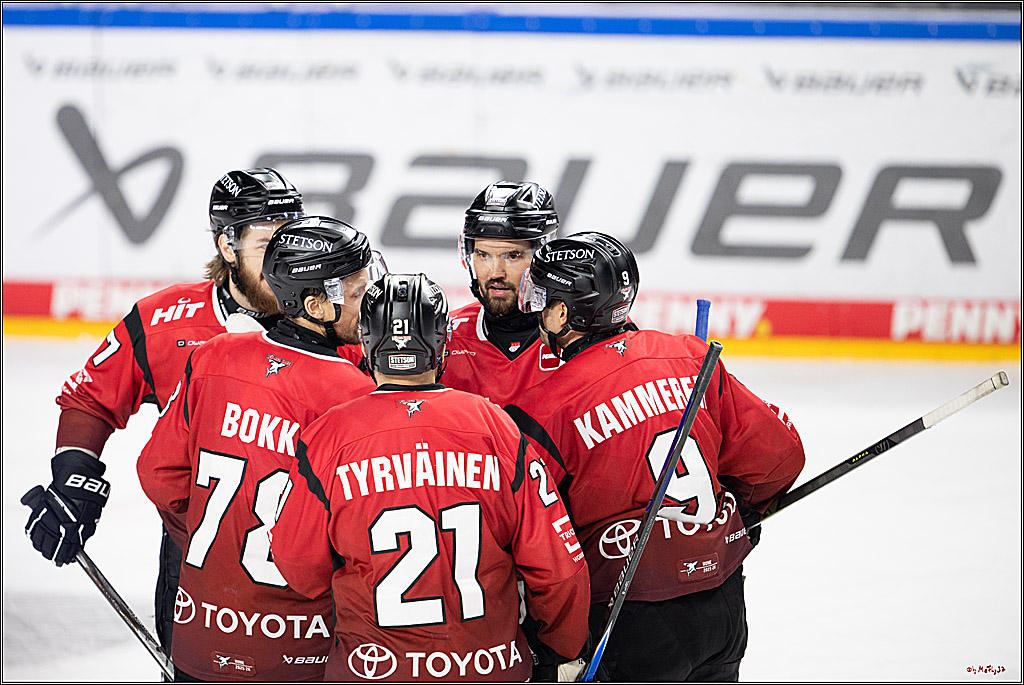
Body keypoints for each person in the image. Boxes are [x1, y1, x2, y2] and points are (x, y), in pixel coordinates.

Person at [22, 167, 308, 658]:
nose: (284, 260)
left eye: (292, 241)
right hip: (197, 554)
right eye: (266, 245)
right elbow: (90, 397)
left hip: (312, 553)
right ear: (227, 246)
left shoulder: (331, 321)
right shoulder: (163, 321)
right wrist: (74, 475)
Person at [506, 232, 806, 682]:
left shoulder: (542, 411)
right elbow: (780, 457)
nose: (536, 309)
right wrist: (741, 515)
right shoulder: (691, 357)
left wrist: (557, 645)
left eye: (543, 299)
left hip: (629, 617)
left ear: (565, 313)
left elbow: (541, 544)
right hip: (721, 600)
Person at [271, 272, 591, 682]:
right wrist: (564, 648)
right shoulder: (496, 426)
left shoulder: (328, 436)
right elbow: (558, 568)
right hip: (488, 668)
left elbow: (298, 565)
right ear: (442, 344)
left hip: (372, 670)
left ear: (366, 342)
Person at [135, 216, 383, 681]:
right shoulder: (352, 395)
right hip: (301, 649)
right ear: (315, 303)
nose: (367, 303)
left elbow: (157, 475)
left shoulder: (212, 356)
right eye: (356, 293)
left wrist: (217, 548)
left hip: (200, 633)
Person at [442, 181, 563, 407]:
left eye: (513, 256)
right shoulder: (442, 338)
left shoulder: (581, 335)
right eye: (483, 255)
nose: (495, 273)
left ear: (543, 257)